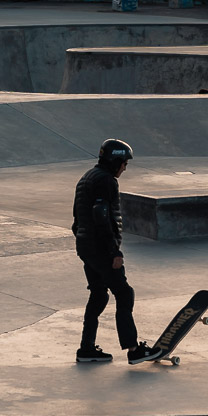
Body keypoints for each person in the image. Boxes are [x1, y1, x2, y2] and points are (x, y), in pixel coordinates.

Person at [72, 139, 157, 364]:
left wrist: (84, 242)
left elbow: (76, 219)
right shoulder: (106, 181)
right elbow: (101, 215)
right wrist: (113, 252)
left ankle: (86, 348)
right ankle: (133, 349)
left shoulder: (87, 177)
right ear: (115, 160)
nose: (125, 168)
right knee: (124, 293)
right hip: (101, 249)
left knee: (99, 295)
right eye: (124, 163)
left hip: (86, 246)